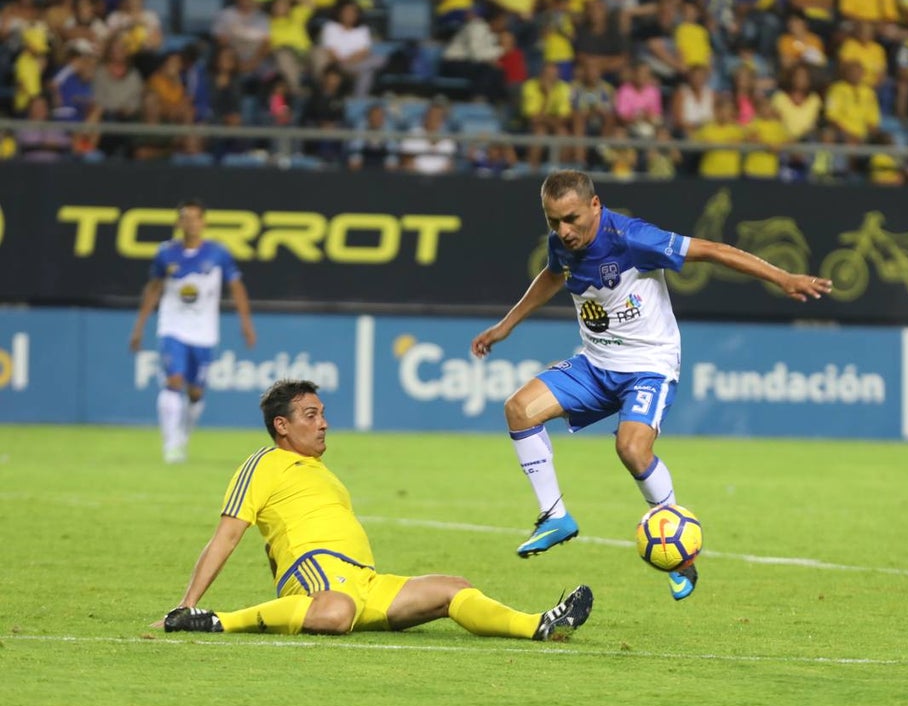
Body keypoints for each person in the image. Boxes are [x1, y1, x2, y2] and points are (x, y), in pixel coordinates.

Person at [469, 171, 833, 600]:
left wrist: (782, 278)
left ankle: (682, 561)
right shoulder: (562, 243)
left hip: (649, 366)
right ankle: (555, 516)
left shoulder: (633, 238)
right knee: (519, 409)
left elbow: (713, 250)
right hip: (596, 364)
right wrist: (506, 325)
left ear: (595, 205)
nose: (563, 231)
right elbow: (552, 274)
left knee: (632, 448)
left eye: (571, 219)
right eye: (553, 222)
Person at [159, 379, 593, 641]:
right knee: (335, 611)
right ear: (282, 425)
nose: (323, 423)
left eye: (323, 414)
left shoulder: (323, 472)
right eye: (310, 415)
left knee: (453, 588)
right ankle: (213, 622)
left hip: (366, 582)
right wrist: (187, 604)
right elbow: (226, 536)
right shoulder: (264, 463)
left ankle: (538, 625)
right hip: (318, 577)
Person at [129, 200, 257, 464]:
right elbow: (153, 289)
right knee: (174, 381)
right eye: (185, 218)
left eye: (195, 218)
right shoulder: (166, 253)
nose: (191, 223)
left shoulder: (218, 253)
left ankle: (183, 435)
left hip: (204, 333)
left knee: (196, 393)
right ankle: (171, 445)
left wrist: (245, 323)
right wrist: (139, 327)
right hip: (172, 328)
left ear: (204, 222)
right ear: (179, 223)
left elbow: (237, 287)